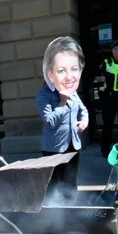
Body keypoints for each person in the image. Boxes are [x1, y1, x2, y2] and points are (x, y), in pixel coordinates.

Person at [36, 36, 89, 191]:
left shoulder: (71, 90)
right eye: (60, 71)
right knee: (55, 186)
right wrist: (62, 103)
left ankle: (72, 212)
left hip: (74, 145)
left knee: (71, 183)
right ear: (50, 74)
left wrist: (84, 120)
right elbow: (50, 122)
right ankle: (56, 213)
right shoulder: (43, 95)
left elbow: (83, 109)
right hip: (53, 149)